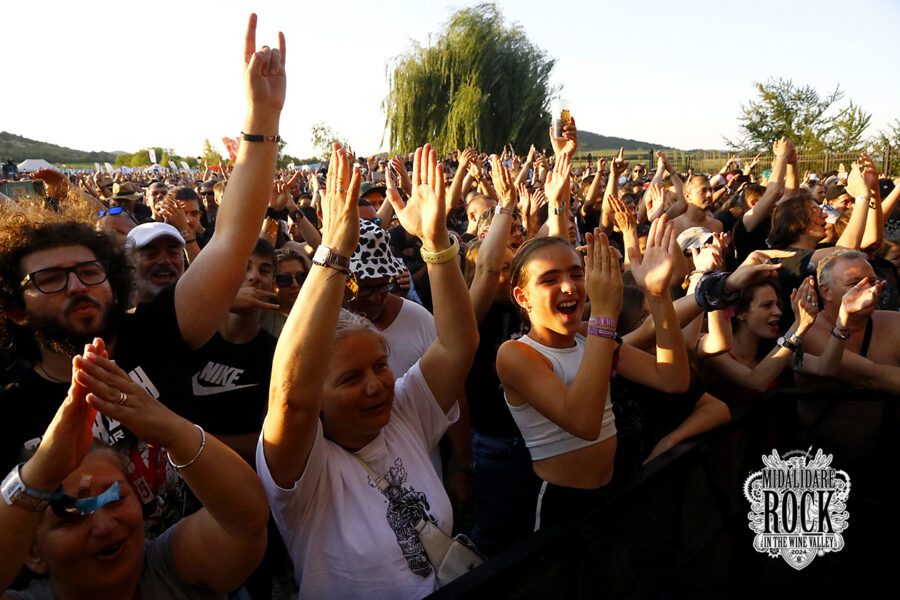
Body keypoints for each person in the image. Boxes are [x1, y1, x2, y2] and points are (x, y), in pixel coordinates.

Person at [0, 12, 286, 528]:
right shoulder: (9, 408)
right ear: (15, 309)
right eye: (49, 279)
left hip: (193, 562)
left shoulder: (154, 335)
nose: (76, 286)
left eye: (89, 271)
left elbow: (232, 239)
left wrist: (261, 120)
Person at [257, 144, 478, 598]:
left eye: (379, 366)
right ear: (315, 394)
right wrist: (334, 251)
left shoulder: (403, 413)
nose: (377, 384)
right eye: (350, 378)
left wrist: (436, 244)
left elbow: (458, 345)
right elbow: (291, 398)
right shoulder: (302, 469)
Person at [0, 339, 268, 599]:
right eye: (70, 515)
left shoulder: (172, 568)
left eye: (114, 497)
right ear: (33, 554)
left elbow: (246, 521)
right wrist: (40, 474)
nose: (103, 526)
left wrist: (172, 431)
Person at [497, 216, 690, 531]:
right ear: (522, 297)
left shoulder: (590, 335)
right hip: (561, 504)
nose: (569, 286)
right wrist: (604, 313)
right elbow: (584, 423)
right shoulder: (516, 354)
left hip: (616, 488)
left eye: (576, 274)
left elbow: (672, 379)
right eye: (549, 279)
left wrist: (658, 295)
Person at [800, 250, 900, 394]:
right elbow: (870, 377)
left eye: (872, 282)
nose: (870, 290)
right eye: (855, 284)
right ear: (826, 292)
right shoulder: (809, 331)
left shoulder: (894, 321)